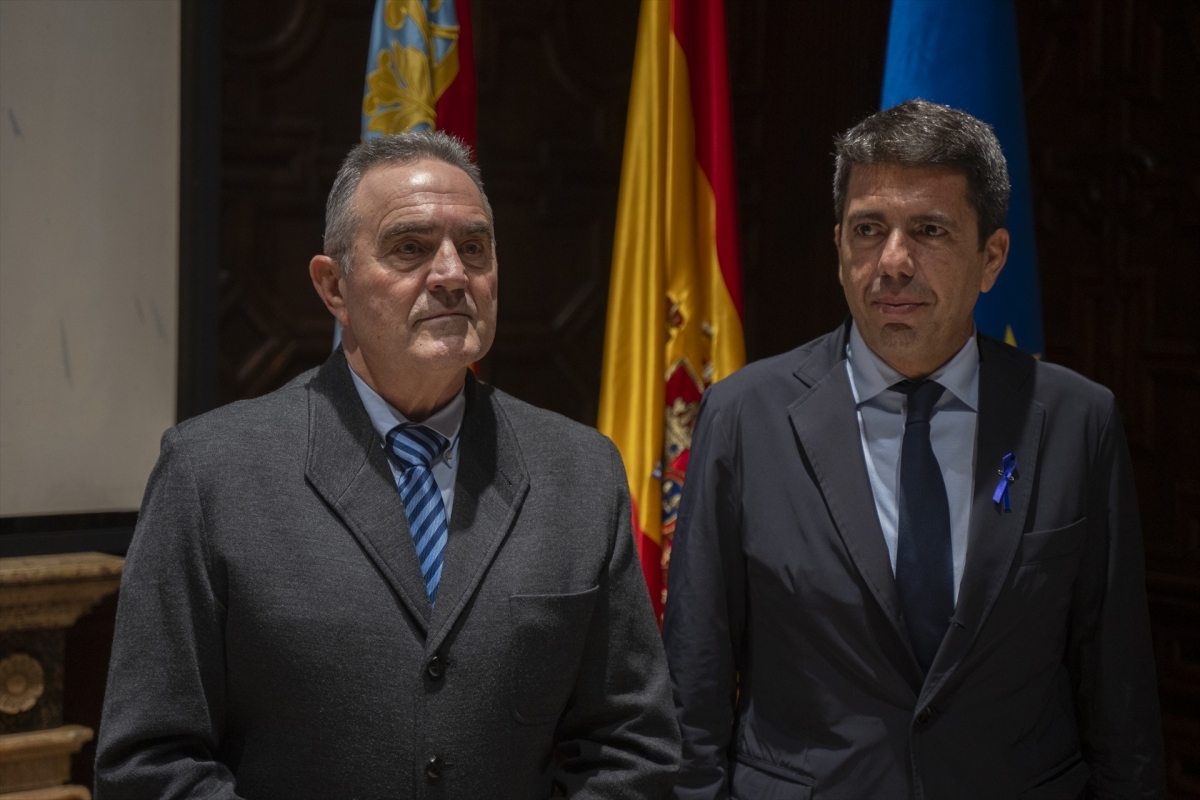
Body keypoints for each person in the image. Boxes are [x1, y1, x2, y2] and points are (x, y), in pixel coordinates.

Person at [96, 130, 680, 799]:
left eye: (475, 248)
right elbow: (149, 762)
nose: (452, 274)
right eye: (410, 248)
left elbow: (630, 745)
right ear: (333, 286)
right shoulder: (210, 475)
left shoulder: (580, 474)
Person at [663, 100, 1165, 799]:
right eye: (869, 230)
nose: (892, 262)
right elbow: (694, 688)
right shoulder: (745, 415)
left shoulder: (1078, 421)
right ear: (840, 246)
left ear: (991, 258)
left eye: (928, 231)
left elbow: (1121, 702)